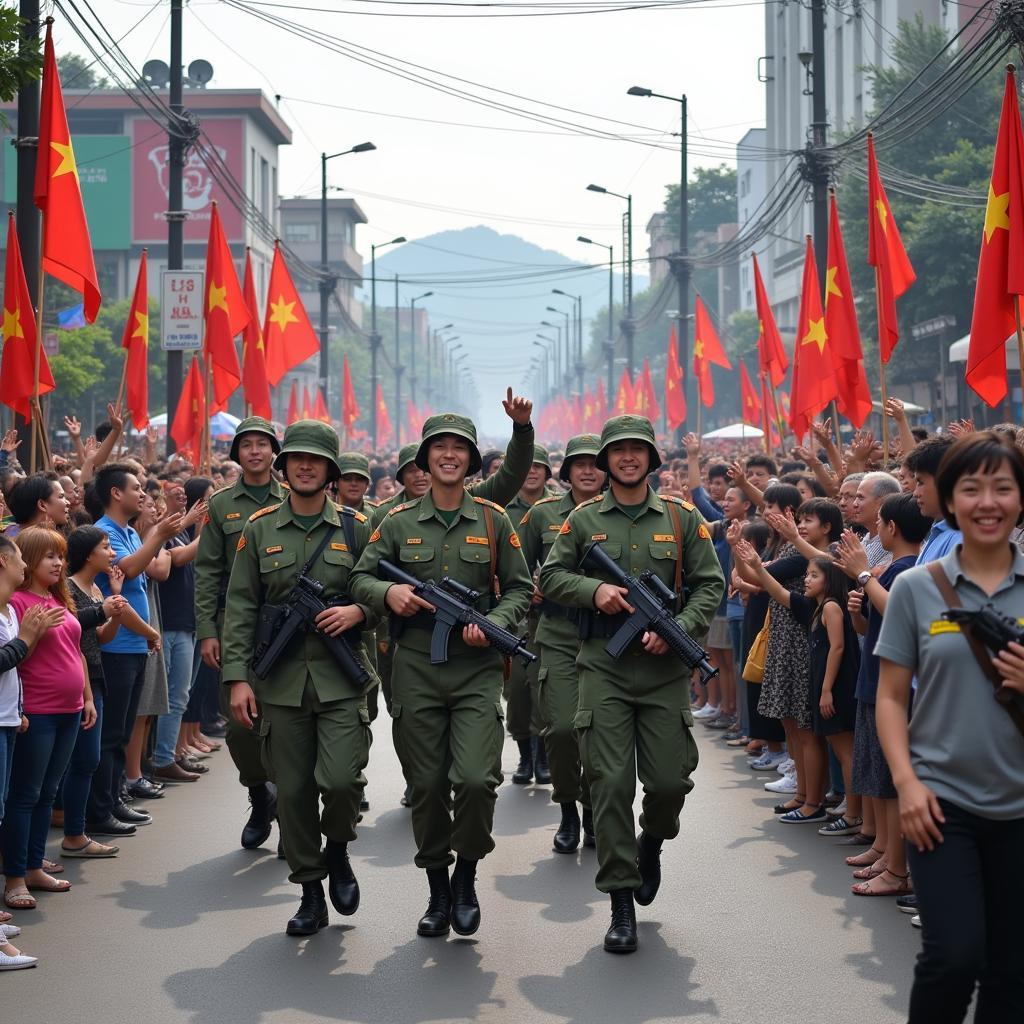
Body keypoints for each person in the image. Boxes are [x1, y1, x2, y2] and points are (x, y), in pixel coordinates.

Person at [539, 415, 724, 954]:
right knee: (610, 782)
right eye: (617, 451)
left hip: (664, 673)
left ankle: (653, 843)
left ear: (651, 458)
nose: (627, 458)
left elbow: (709, 584)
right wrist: (593, 591)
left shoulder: (680, 517)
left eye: (636, 450)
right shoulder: (581, 519)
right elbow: (550, 576)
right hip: (603, 667)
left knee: (668, 783)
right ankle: (620, 900)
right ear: (604, 460)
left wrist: (681, 631)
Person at [350, 412, 533, 940]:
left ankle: (467, 875)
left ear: (471, 460)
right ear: (425, 459)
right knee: (426, 786)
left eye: (459, 447)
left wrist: (495, 623)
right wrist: (389, 594)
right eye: (439, 447)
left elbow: (520, 589)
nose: (449, 454)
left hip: (476, 671)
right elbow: (361, 575)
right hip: (415, 670)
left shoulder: (495, 520)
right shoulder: (398, 522)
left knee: (476, 781)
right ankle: (436, 886)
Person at [875, 432, 1024, 1022]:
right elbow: (890, 697)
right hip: (940, 803)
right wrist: (907, 784)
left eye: (1003, 487)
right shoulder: (916, 587)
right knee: (953, 957)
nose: (987, 501)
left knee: (1012, 971)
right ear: (950, 499)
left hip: (1020, 806)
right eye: (972, 488)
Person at [222, 420, 378, 937]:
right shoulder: (260, 527)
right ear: (284, 468)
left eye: (316, 460)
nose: (305, 466)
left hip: (341, 678)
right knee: (291, 793)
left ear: (332, 471)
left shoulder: (356, 528)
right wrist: (237, 679)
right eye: (297, 459)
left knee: (338, 783)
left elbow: (385, 593)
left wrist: (359, 610)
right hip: (280, 683)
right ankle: (310, 889)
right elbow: (241, 605)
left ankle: (337, 849)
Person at [194, 416, 285, 850]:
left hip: (289, 627)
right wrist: (208, 631)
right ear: (237, 454)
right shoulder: (221, 505)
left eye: (262, 444)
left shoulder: (294, 497)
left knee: (288, 725)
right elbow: (208, 572)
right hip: (238, 628)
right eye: (246, 444)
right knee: (240, 727)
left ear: (273, 452)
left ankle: (293, 813)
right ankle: (258, 792)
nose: (255, 451)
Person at [834, 493, 930, 893]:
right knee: (879, 778)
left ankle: (897, 867)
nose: (874, 530)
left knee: (890, 781)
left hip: (890, 685)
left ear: (891, 527)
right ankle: (886, 852)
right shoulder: (888, 569)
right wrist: (858, 607)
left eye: (879, 524)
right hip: (874, 679)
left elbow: (899, 615)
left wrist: (863, 577)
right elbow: (866, 628)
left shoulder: (907, 570)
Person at [517, 433, 605, 853]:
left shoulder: (625, 512)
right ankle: (569, 807)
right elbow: (515, 571)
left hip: (612, 640)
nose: (588, 470)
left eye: (594, 462)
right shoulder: (542, 514)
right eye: (579, 463)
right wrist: (529, 589)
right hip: (557, 634)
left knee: (601, 736)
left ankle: (593, 812)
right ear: (566, 471)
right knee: (564, 729)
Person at [85, 465, 181, 837]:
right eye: (136, 488)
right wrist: (159, 533)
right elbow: (131, 567)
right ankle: (101, 809)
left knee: (123, 731)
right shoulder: (103, 531)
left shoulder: (125, 531)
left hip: (135, 645)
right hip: (117, 645)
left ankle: (115, 798)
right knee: (111, 734)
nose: (142, 494)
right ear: (115, 493)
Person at [735, 543, 859, 825]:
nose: (806, 579)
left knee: (842, 748)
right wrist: (755, 564)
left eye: (813, 575)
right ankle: (810, 799)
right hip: (822, 683)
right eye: (807, 575)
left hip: (834, 686)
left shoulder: (831, 607)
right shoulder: (813, 606)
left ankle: (847, 812)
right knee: (818, 740)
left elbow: (838, 648)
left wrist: (826, 689)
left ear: (830, 579)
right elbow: (777, 592)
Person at [3, 528, 91, 912]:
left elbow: (77, 650)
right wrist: (34, 634)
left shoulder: (59, 597)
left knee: (46, 793)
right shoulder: (17, 602)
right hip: (36, 711)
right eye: (48, 557)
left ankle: (35, 865)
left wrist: (87, 696)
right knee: (25, 794)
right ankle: (16, 877)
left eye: (61, 556)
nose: (58, 563)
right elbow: (17, 653)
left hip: (70, 708)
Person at [0, 535, 53, 970]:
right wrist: (26, 640)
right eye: (18, 556)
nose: (23, 564)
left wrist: (17, 711)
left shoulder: (6, 610)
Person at [503, 444, 553, 787]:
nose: (532, 471)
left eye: (540, 466)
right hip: (515, 613)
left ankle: (545, 757)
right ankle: (524, 754)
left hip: (554, 613)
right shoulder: (501, 508)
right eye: (528, 464)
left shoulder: (564, 507)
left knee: (547, 693)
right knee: (518, 691)